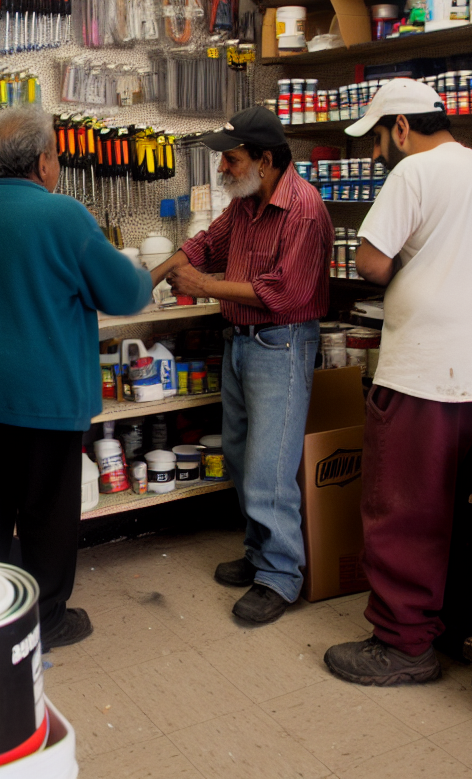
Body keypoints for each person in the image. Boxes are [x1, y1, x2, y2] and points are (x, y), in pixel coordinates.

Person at [325, 79, 472, 686]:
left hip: (427, 375)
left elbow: (371, 263)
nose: (378, 153)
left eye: (379, 140)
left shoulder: (412, 174)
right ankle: (464, 629)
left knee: (404, 511)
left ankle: (404, 645)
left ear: (402, 128)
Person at [0, 107, 152, 649]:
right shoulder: (64, 216)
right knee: (47, 512)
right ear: (44, 161)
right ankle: (45, 619)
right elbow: (127, 294)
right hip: (44, 398)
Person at [151, 105, 332, 624]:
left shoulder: (303, 209)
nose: (223, 170)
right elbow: (206, 245)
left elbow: (284, 293)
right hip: (242, 341)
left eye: (230, 160)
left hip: (282, 342)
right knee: (238, 453)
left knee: (269, 468)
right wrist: (154, 274)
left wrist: (204, 287)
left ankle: (281, 575)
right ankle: (259, 554)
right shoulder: (248, 202)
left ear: (265, 159)